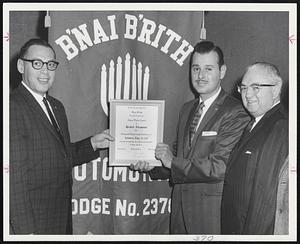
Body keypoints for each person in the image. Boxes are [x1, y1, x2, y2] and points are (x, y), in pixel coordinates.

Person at [131, 41, 250, 234]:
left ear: (222, 71)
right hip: (179, 212)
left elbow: (220, 166)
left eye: (208, 69)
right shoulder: (187, 109)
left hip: (209, 215)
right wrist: (152, 164)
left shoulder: (235, 112)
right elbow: (178, 157)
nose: (201, 76)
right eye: (196, 69)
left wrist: (172, 162)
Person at [9, 38, 114, 234]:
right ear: (21, 66)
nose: (45, 71)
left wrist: (92, 143)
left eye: (50, 65)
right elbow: (14, 180)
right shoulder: (12, 107)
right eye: (37, 64)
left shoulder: (56, 106)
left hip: (60, 217)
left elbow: (61, 156)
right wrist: (27, 233)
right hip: (35, 223)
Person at [221, 62, 288, 234]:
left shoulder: (279, 127)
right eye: (243, 88)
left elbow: (265, 200)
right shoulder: (254, 124)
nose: (247, 94)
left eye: (256, 87)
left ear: (275, 89)